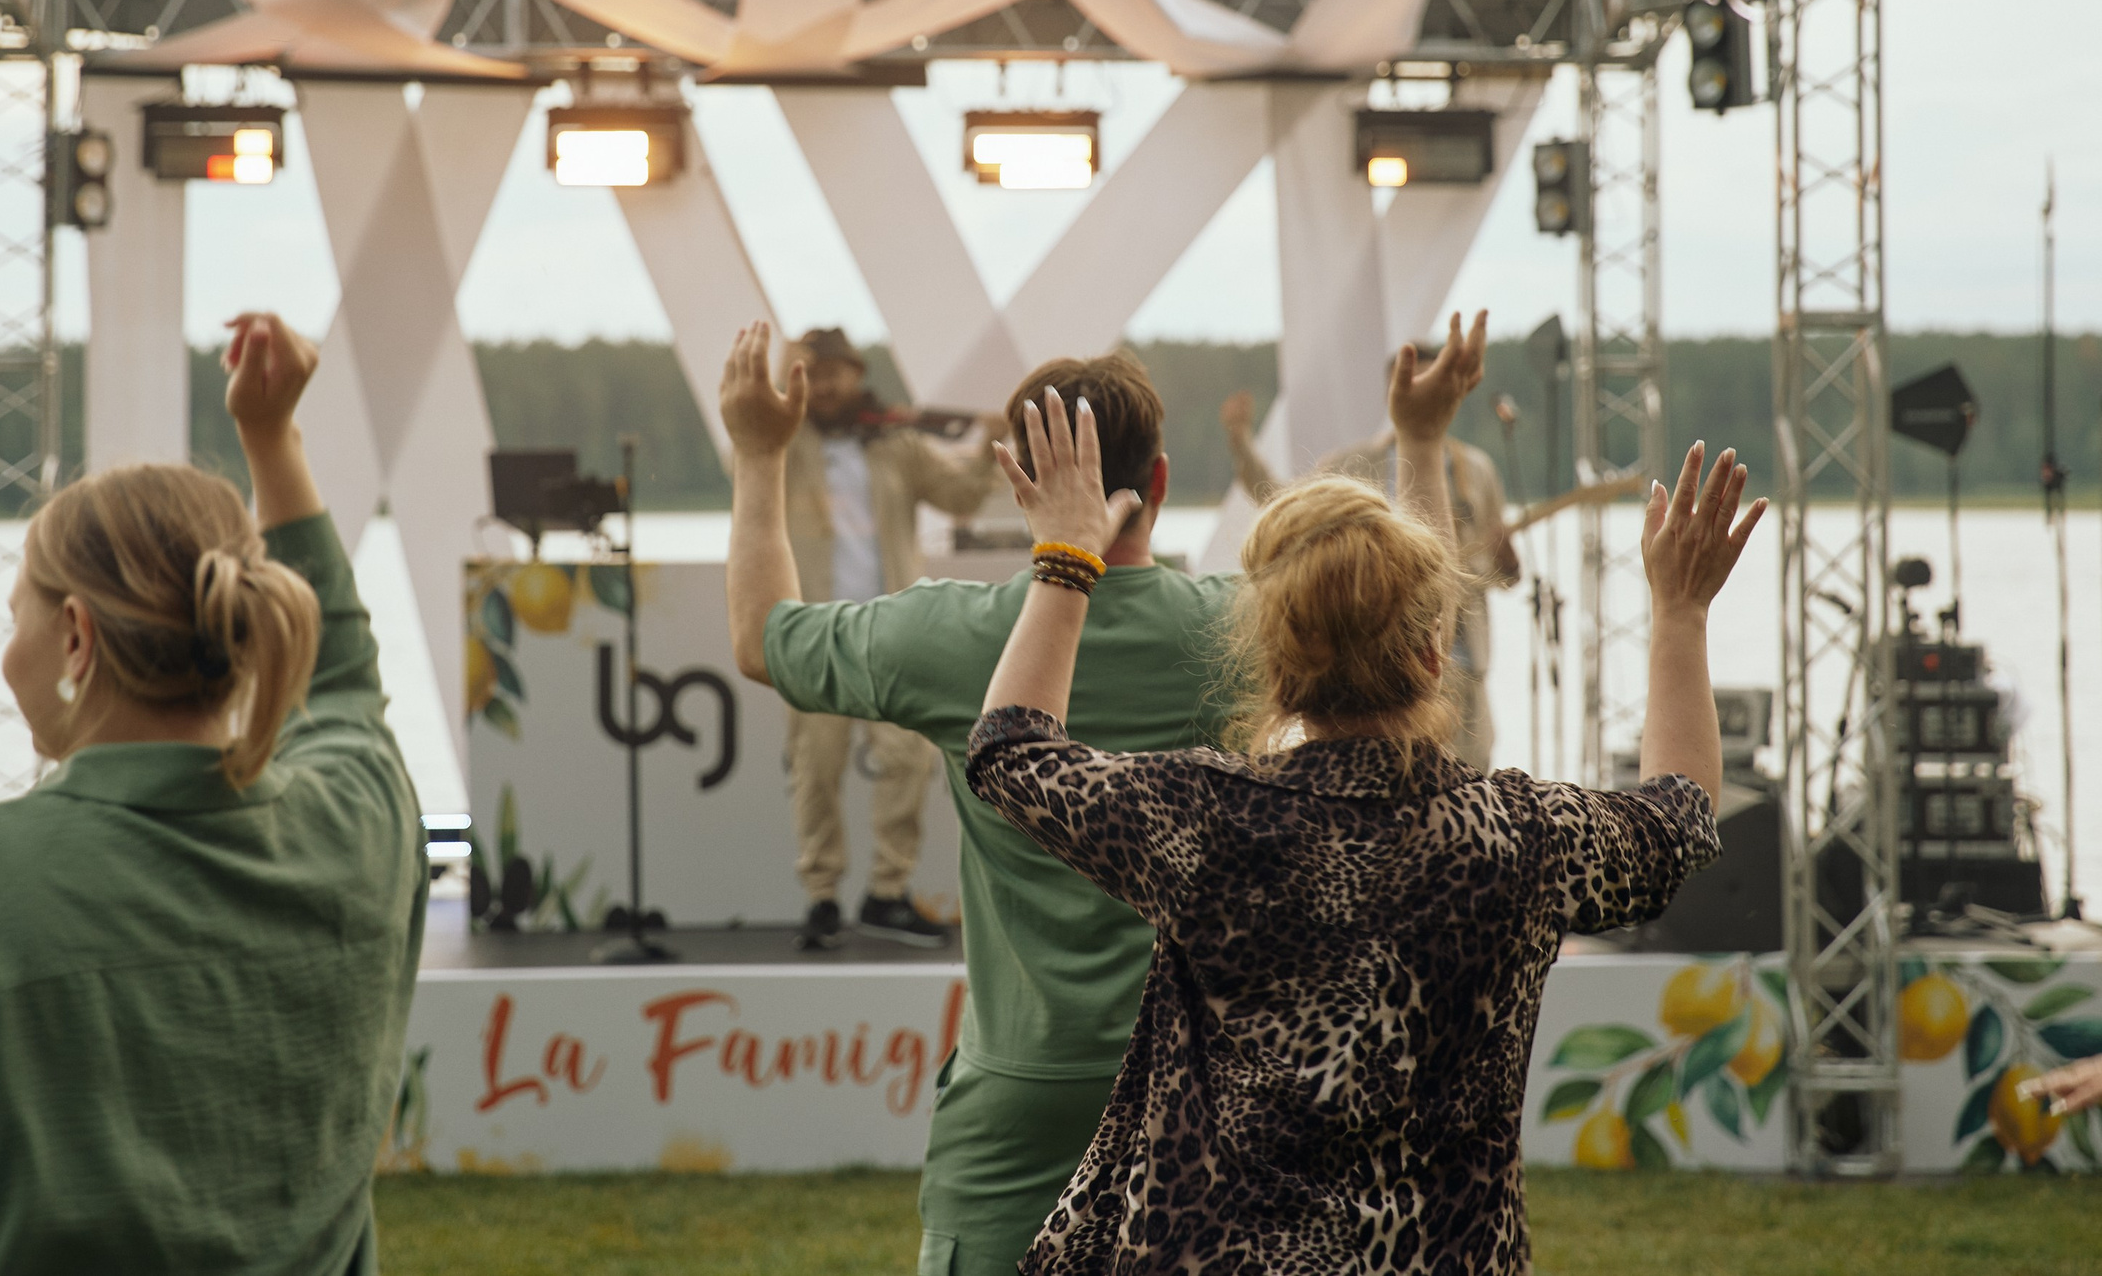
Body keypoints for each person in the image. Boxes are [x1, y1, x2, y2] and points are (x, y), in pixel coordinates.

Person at [961, 311, 1749, 1273]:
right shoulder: (1520, 838)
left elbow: (1011, 754)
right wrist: (1680, 614)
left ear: (1274, 659)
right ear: (1434, 657)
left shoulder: (1208, 822)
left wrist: (1069, 553)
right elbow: (1679, 816)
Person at [0, 313, 425, 1276]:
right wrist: (272, 436)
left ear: (77, 636)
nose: (8, 654)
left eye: (18, 619)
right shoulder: (358, 827)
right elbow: (343, 682)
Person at [723, 324, 1237, 1276]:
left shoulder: (946, 634)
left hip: (1022, 1085)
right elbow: (1418, 616)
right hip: (1207, 1083)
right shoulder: (1243, 630)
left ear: (1022, 484)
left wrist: (760, 455)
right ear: (1160, 483)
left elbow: (762, 639)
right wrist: (1419, 444)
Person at [777, 326, 1003, 949]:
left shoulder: (896, 442)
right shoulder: (783, 441)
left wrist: (989, 444)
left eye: (834, 373)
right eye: (813, 373)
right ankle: (821, 897)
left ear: (856, 374)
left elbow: (959, 497)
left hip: (889, 628)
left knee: (909, 757)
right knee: (815, 768)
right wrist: (781, 386)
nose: (824, 385)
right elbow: (741, 446)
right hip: (816, 627)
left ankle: (887, 891)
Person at [1309, 351, 1521, 770]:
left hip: (1461, 661)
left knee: (1469, 782)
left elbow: (1507, 575)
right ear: (1394, 393)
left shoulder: (1476, 469)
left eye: (1433, 384)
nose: (1425, 395)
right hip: (1371, 667)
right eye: (1414, 384)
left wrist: (1504, 557)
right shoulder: (1348, 465)